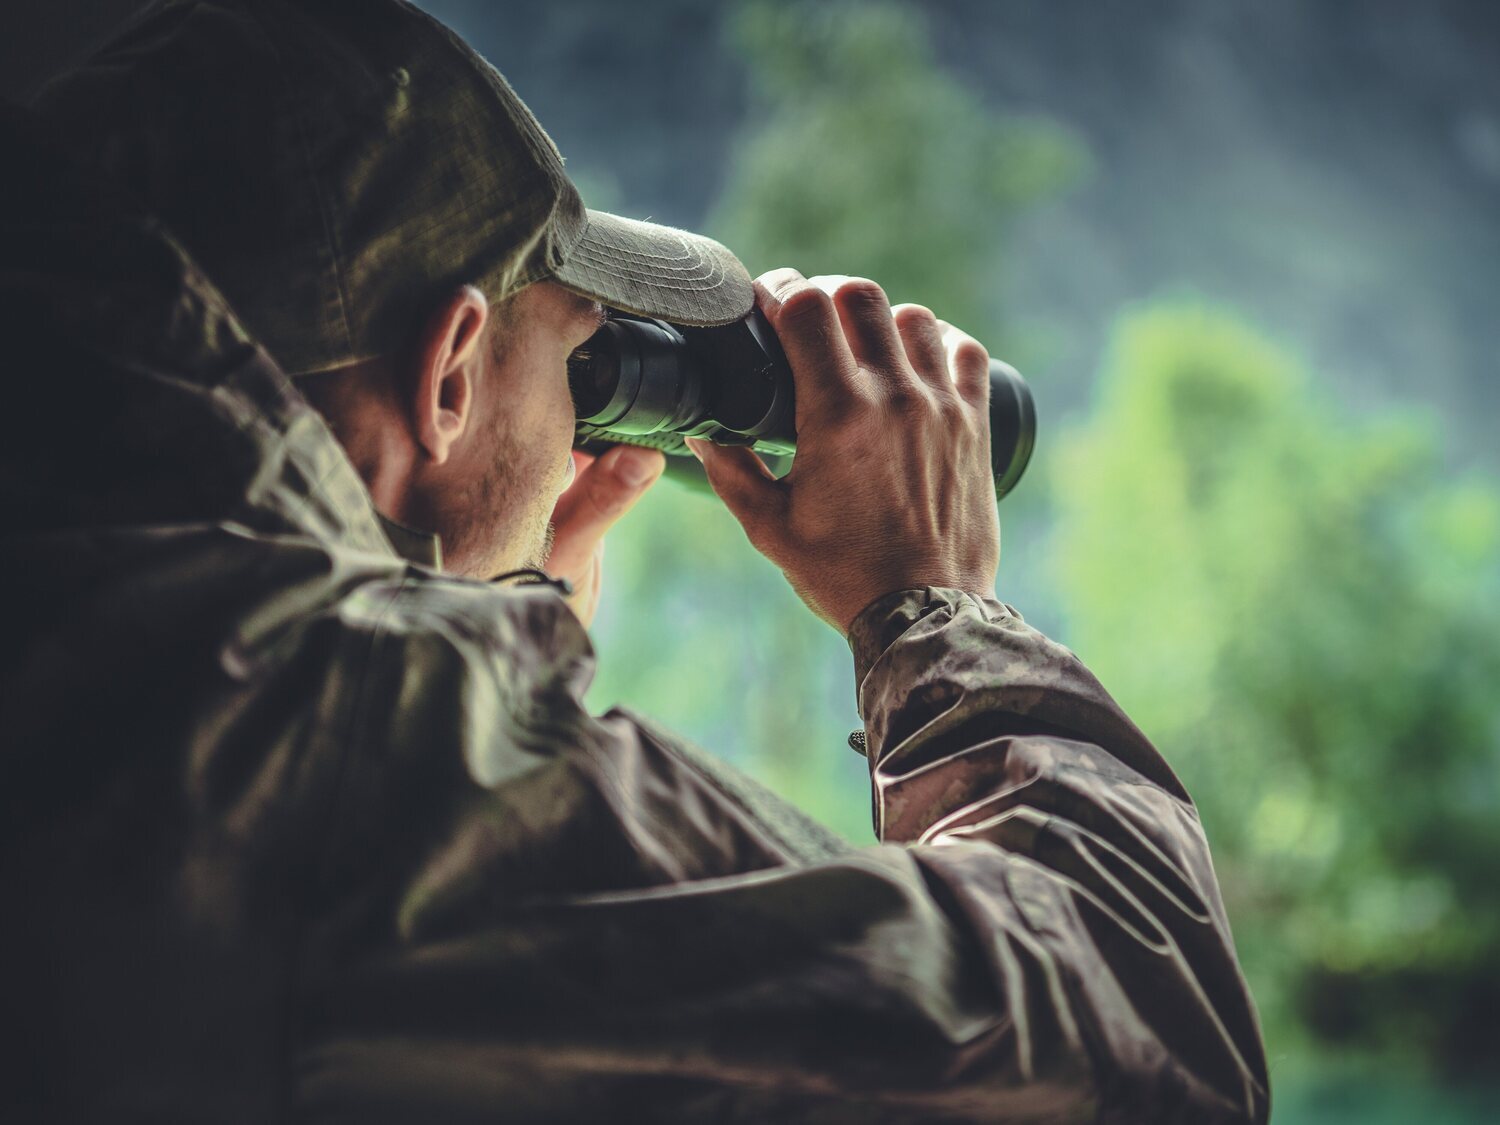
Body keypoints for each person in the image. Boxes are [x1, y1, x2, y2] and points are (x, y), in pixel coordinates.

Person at [4, 0, 1269, 1120]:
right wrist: (934, 607)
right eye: (576, 362)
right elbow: (1151, 1047)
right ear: (447, 375)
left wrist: (460, 601)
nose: (583, 437)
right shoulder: (327, 742)